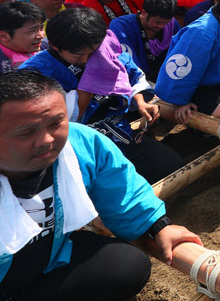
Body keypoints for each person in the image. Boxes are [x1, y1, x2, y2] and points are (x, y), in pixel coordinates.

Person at [0, 70, 202, 300]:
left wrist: (158, 226)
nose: (47, 139)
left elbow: (120, 187)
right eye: (27, 132)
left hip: (50, 254)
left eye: (57, 122)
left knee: (127, 265)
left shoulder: (80, 143)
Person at [20, 8, 184, 183]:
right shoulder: (35, 72)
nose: (86, 59)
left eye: (93, 52)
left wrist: (140, 101)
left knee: (172, 166)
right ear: (54, 45)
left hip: (116, 131)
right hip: (74, 143)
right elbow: (63, 118)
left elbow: (133, 75)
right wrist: (94, 76)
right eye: (79, 54)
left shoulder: (104, 51)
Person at [109, 0, 180, 81]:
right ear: (144, 12)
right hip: (133, 80)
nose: (161, 26)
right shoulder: (121, 26)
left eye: (166, 22)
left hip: (164, 77)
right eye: (157, 22)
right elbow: (125, 63)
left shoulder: (172, 25)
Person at [0, 1, 45, 72]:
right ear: (4, 36)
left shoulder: (47, 47)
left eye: (41, 28)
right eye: (32, 31)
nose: (41, 36)